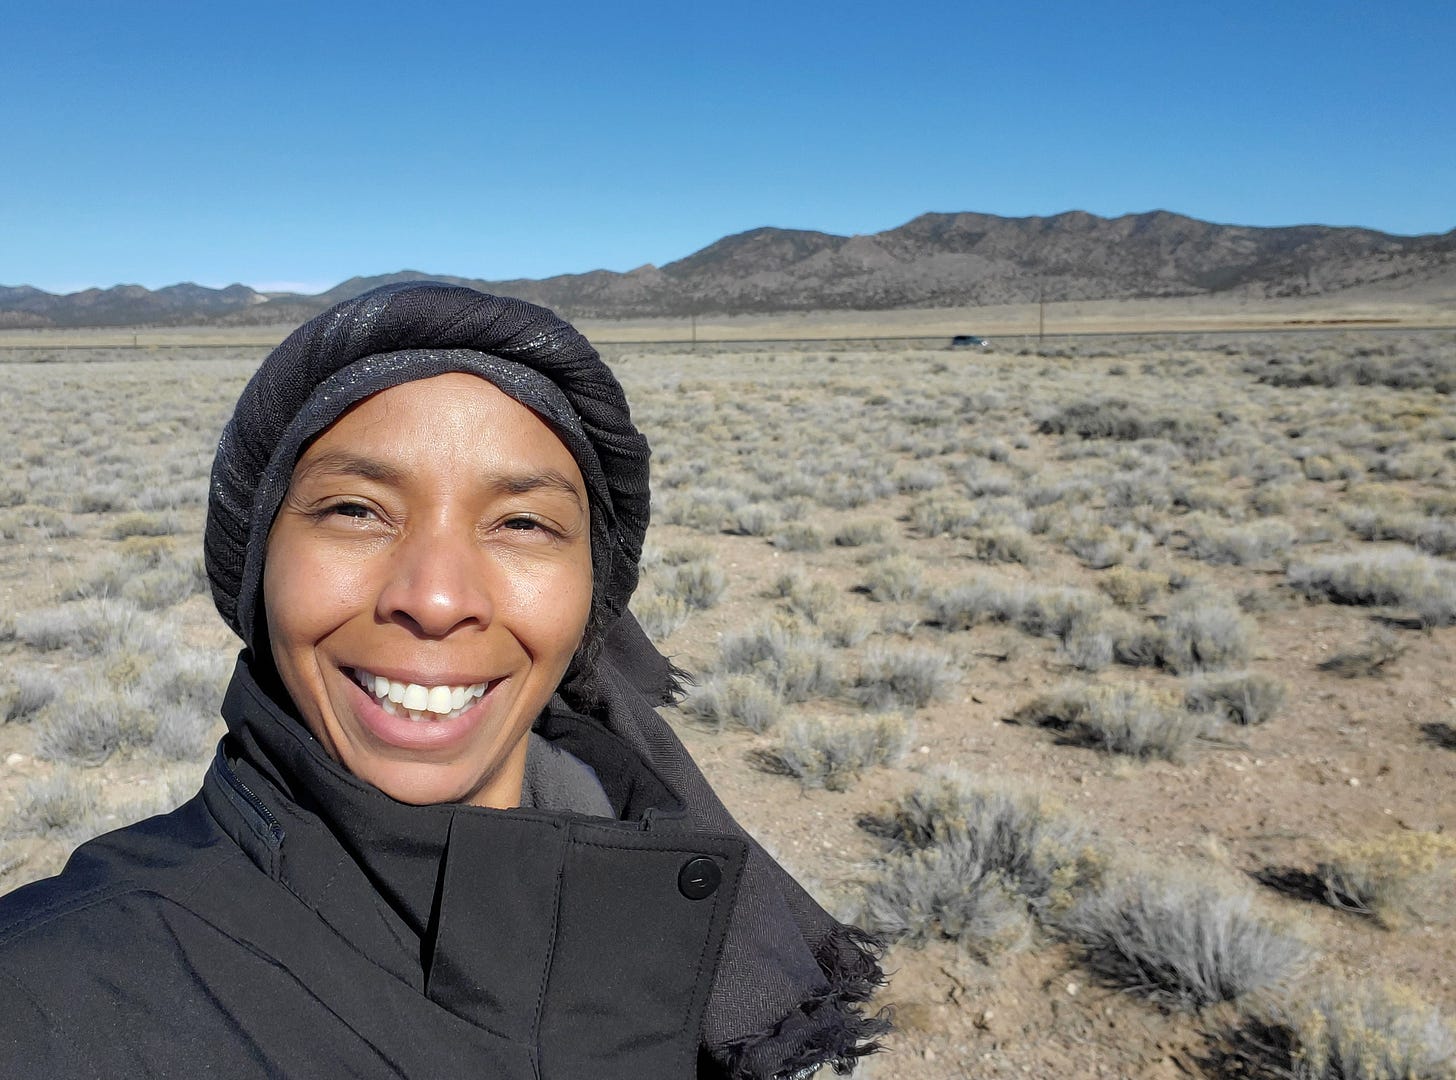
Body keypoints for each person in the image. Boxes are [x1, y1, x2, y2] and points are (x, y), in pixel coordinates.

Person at [0, 283, 889, 1078]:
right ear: (257, 563)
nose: (435, 598)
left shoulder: (683, 917)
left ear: (593, 596)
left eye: (522, 523)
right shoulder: (53, 993)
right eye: (356, 510)